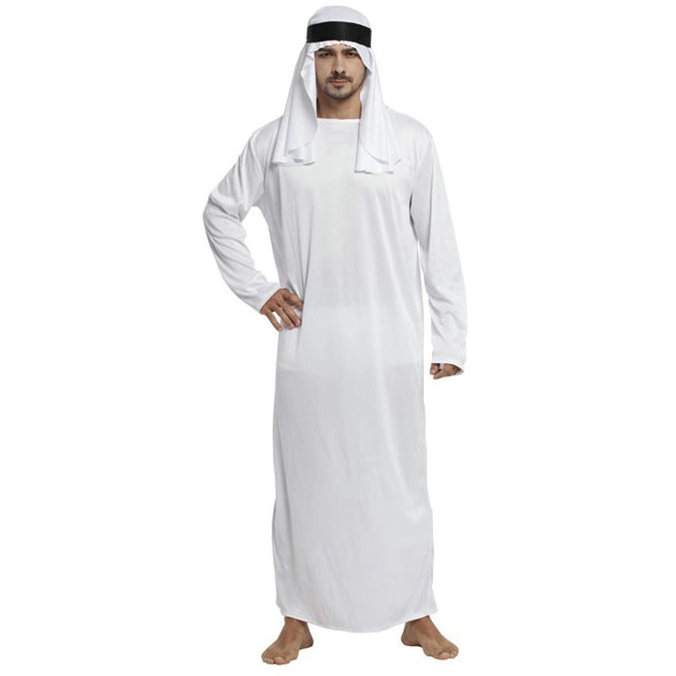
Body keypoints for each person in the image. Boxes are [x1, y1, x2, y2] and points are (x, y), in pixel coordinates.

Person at [202, 5, 467, 665]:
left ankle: (416, 612)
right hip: (310, 351)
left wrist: (449, 338)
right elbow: (220, 211)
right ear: (308, 63)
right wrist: (259, 290)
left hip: (389, 345)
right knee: (307, 482)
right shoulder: (275, 142)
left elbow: (438, 243)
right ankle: (297, 617)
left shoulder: (409, 140)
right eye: (326, 54)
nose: (338, 66)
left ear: (368, 62)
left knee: (398, 480)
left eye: (349, 54)